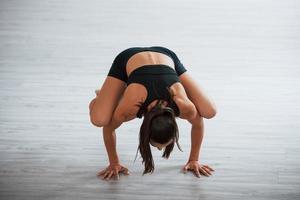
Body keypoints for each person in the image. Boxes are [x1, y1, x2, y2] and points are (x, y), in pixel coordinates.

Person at [89, 46, 217, 181]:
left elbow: (198, 124)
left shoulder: (185, 106)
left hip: (166, 58)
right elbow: (108, 129)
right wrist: (114, 163)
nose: (160, 150)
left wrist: (194, 159)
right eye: (158, 146)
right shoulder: (130, 108)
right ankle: (103, 98)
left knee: (210, 112)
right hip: (128, 58)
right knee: (100, 119)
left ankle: (112, 95)